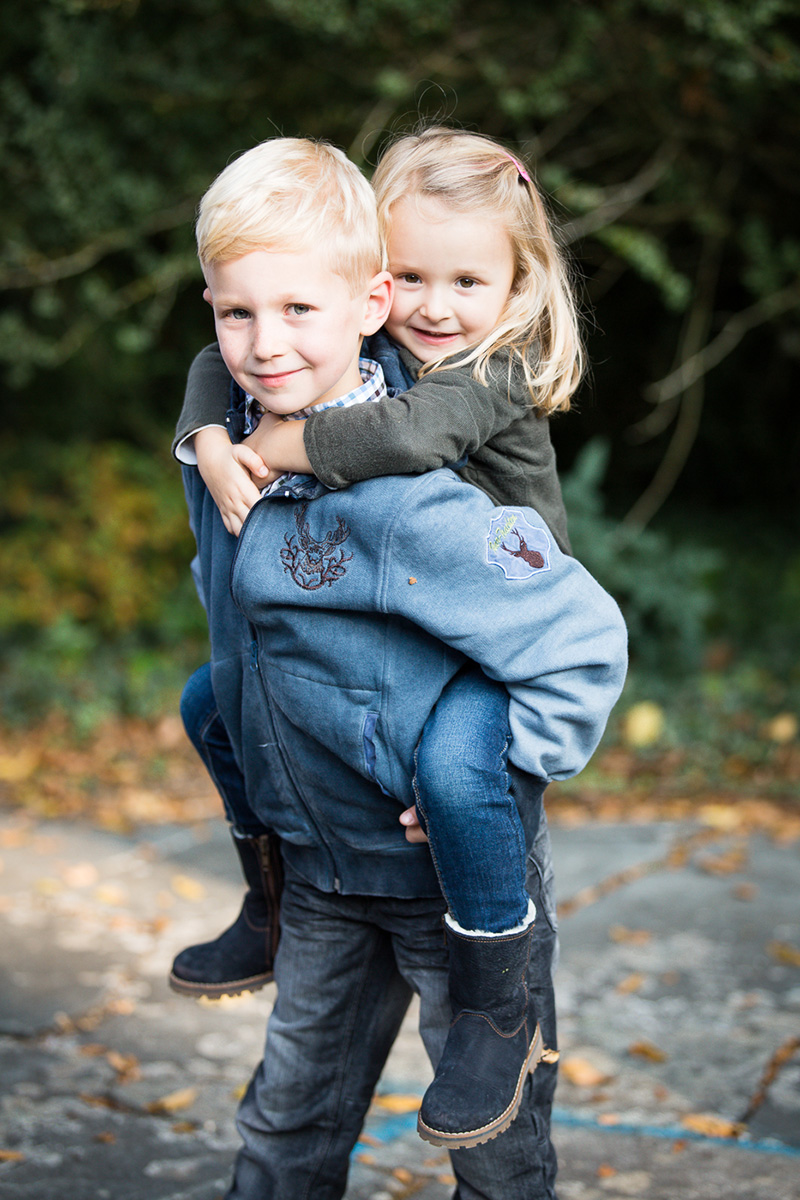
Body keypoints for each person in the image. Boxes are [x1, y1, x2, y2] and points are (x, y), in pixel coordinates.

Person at [176, 133, 626, 1196]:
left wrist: (277, 450)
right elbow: (221, 358)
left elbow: (404, 447)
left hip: (483, 684)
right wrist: (207, 438)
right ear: (379, 285)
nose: (434, 304)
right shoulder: (275, 391)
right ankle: (266, 897)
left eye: (465, 280)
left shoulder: (449, 409)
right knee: (211, 701)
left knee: (462, 771)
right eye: (412, 276)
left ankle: (491, 992)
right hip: (326, 865)